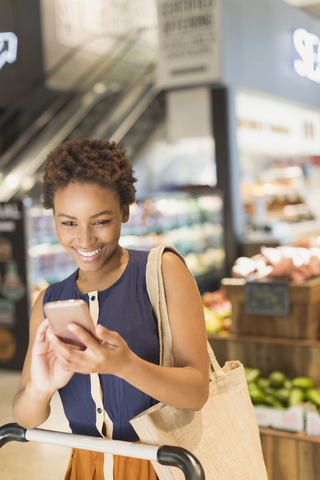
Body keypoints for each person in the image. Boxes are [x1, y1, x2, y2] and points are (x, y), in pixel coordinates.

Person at [13, 138, 209, 480]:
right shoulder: (47, 302)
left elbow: (196, 392)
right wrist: (40, 389)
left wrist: (124, 365)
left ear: (124, 212)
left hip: (162, 466)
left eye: (100, 221)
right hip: (88, 468)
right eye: (68, 223)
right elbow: (26, 418)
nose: (85, 240)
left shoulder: (162, 272)